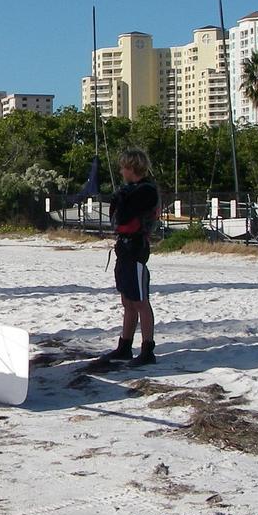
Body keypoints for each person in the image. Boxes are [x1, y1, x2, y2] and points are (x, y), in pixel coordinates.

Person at [93, 148, 160, 367]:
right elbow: (118, 217)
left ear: (132, 168)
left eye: (123, 167)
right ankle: (125, 346)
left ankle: (148, 350)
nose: (121, 171)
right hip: (124, 247)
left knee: (140, 301)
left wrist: (121, 198)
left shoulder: (146, 191)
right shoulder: (130, 190)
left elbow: (124, 214)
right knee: (127, 300)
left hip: (136, 248)